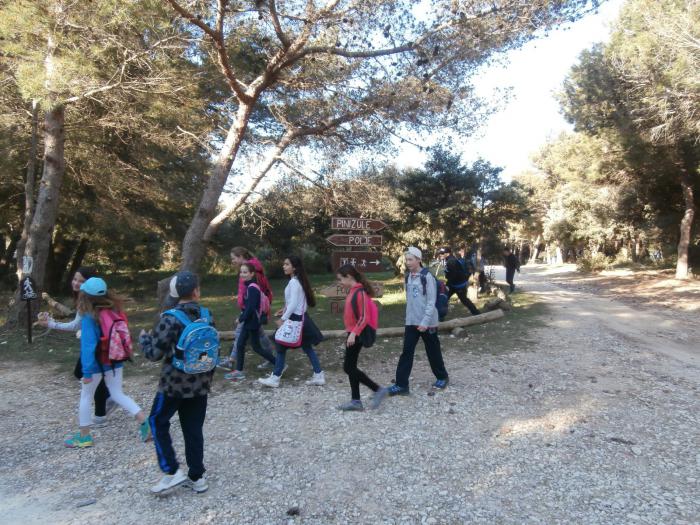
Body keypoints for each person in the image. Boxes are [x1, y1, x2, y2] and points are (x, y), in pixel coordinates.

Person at [140, 271, 214, 494]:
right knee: (193, 428)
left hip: (173, 385)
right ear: (196, 292)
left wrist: (144, 339)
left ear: (174, 295)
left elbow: (154, 354)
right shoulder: (207, 315)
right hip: (200, 382)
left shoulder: (169, 318)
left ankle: (172, 471)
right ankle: (197, 477)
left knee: (157, 420)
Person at [64, 277, 150, 449]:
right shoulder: (115, 311)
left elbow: (88, 347)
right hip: (115, 360)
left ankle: (84, 437)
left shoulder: (89, 317)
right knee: (117, 393)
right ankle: (145, 422)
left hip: (96, 364)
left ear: (85, 296)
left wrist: (87, 372)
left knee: (86, 397)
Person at [37, 266, 115, 427]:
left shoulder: (87, 300)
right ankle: (109, 399)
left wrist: (51, 323)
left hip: (97, 346)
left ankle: (101, 414)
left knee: (88, 375)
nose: (76, 283)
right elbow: (78, 325)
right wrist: (51, 322)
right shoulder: (87, 298)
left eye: (81, 281)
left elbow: (75, 326)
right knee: (85, 374)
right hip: (100, 345)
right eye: (75, 279)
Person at [388, 247, 449, 396]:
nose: (408, 262)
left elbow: (431, 301)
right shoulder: (408, 276)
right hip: (412, 322)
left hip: (428, 323)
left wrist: (425, 322)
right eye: (406, 260)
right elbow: (410, 301)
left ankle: (442, 377)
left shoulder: (427, 277)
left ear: (419, 260)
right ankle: (401, 385)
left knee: (433, 351)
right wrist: (409, 320)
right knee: (406, 352)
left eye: (411, 260)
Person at [258, 255, 324, 388]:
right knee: (307, 347)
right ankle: (319, 375)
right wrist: (284, 309)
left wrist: (283, 319)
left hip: (295, 320)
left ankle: (275, 378)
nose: (284, 266)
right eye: (284, 264)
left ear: (294, 267)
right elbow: (297, 302)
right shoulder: (298, 280)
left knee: (280, 347)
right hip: (302, 319)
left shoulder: (294, 282)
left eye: (287, 264)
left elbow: (294, 303)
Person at [335, 264, 388, 411]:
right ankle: (356, 401)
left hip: (357, 334)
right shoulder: (353, 291)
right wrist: (349, 330)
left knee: (348, 367)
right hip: (353, 332)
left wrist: (353, 333)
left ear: (349, 277)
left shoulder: (360, 292)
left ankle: (377, 389)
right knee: (351, 366)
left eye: (340, 279)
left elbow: (365, 317)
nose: (339, 282)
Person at [220, 247, 275, 369]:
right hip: (250, 311)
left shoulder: (251, 271)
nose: (232, 261)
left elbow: (254, 293)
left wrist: (243, 316)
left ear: (241, 257)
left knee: (242, 336)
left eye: (234, 258)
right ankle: (272, 359)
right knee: (259, 337)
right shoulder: (248, 268)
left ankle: (232, 361)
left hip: (250, 312)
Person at [438, 247, 480, 316]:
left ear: (448, 254)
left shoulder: (451, 261)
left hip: (459, 285)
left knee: (464, 300)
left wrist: (447, 284)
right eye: (440, 253)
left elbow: (453, 275)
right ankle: (440, 315)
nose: (441, 255)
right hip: (454, 284)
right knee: (444, 298)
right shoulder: (449, 260)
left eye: (442, 253)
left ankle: (477, 314)